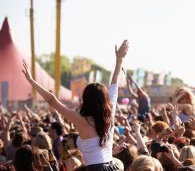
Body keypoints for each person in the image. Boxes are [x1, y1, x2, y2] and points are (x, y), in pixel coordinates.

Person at [22, 40, 129, 171]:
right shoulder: (109, 114)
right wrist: (119, 61)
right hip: (112, 167)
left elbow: (52, 101)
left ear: (86, 100)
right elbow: (114, 86)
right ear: (104, 100)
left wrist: (31, 81)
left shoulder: (82, 120)